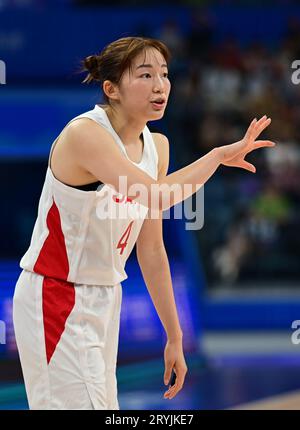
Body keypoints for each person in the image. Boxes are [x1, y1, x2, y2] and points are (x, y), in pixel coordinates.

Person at [12, 36, 275, 410]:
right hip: (55, 294)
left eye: (164, 74)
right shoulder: (85, 134)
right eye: (145, 74)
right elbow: (154, 195)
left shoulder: (158, 147)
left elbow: (151, 248)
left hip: (106, 297)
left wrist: (174, 335)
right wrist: (215, 156)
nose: (160, 85)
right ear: (111, 89)